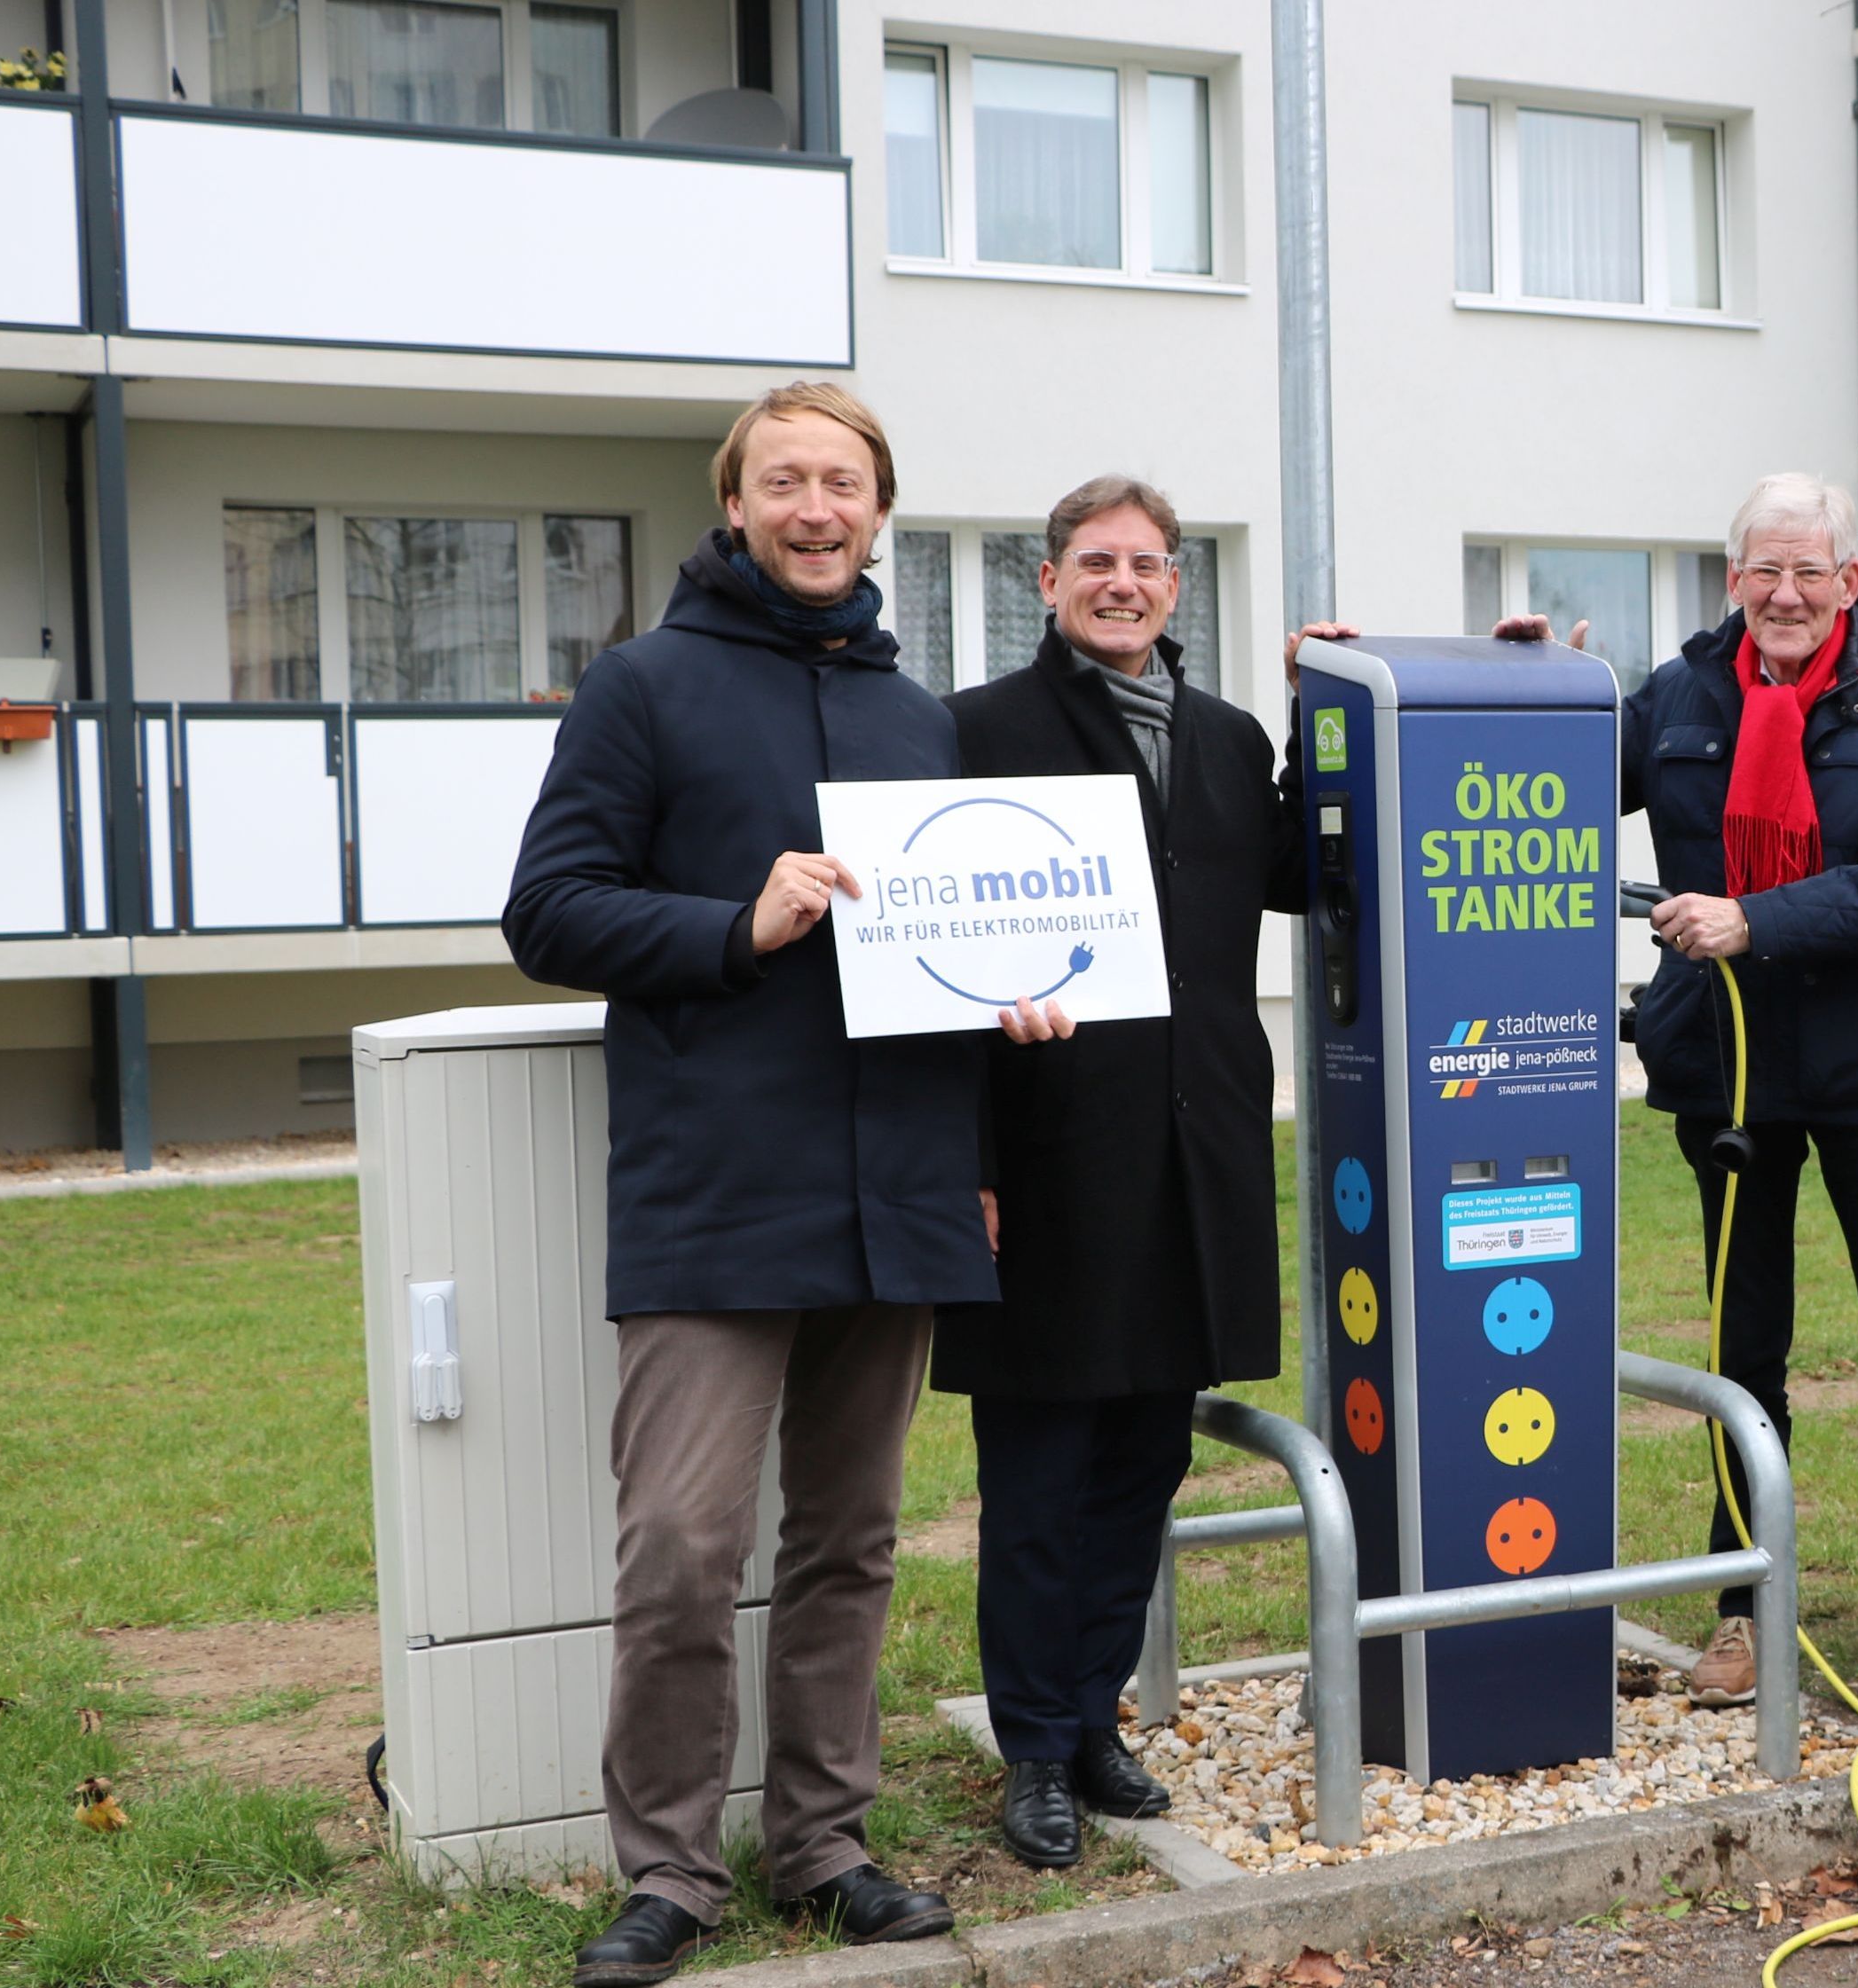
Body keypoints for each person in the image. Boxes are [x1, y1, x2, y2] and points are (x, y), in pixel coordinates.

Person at [507, 383, 1054, 1984]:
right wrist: (732, 928)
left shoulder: (917, 718)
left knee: (850, 1539)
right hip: (716, 1193)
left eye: (845, 484)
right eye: (786, 482)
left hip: (897, 1192)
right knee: (680, 1541)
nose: (817, 509)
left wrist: (990, 1101)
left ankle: (823, 1840)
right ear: (733, 504)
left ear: (880, 512)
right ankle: (669, 1869)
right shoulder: (645, 685)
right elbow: (549, 910)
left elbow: (952, 965)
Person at [1485, 472, 1858, 1724]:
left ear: (1850, 579)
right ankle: (1741, 1599)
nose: (1786, 594)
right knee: (1746, 1346)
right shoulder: (1676, 693)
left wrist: (1754, 916)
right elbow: (1552, 787)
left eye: (1809, 571)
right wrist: (1540, 686)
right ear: (1733, 582)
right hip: (1724, 1070)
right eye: (1762, 572)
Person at [936, 476, 1304, 1865]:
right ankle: (1031, 1747)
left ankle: (1092, 1717)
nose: (1126, 584)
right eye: (1098, 562)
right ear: (1048, 580)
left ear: (1174, 586)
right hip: (1044, 1161)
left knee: (1144, 1459)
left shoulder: (1226, 737)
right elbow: (930, 970)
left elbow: (1301, 869)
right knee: (1038, 1467)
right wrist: (962, 1160)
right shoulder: (978, 731)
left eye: (1150, 564)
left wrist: (1334, 705)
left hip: (1192, 1155)